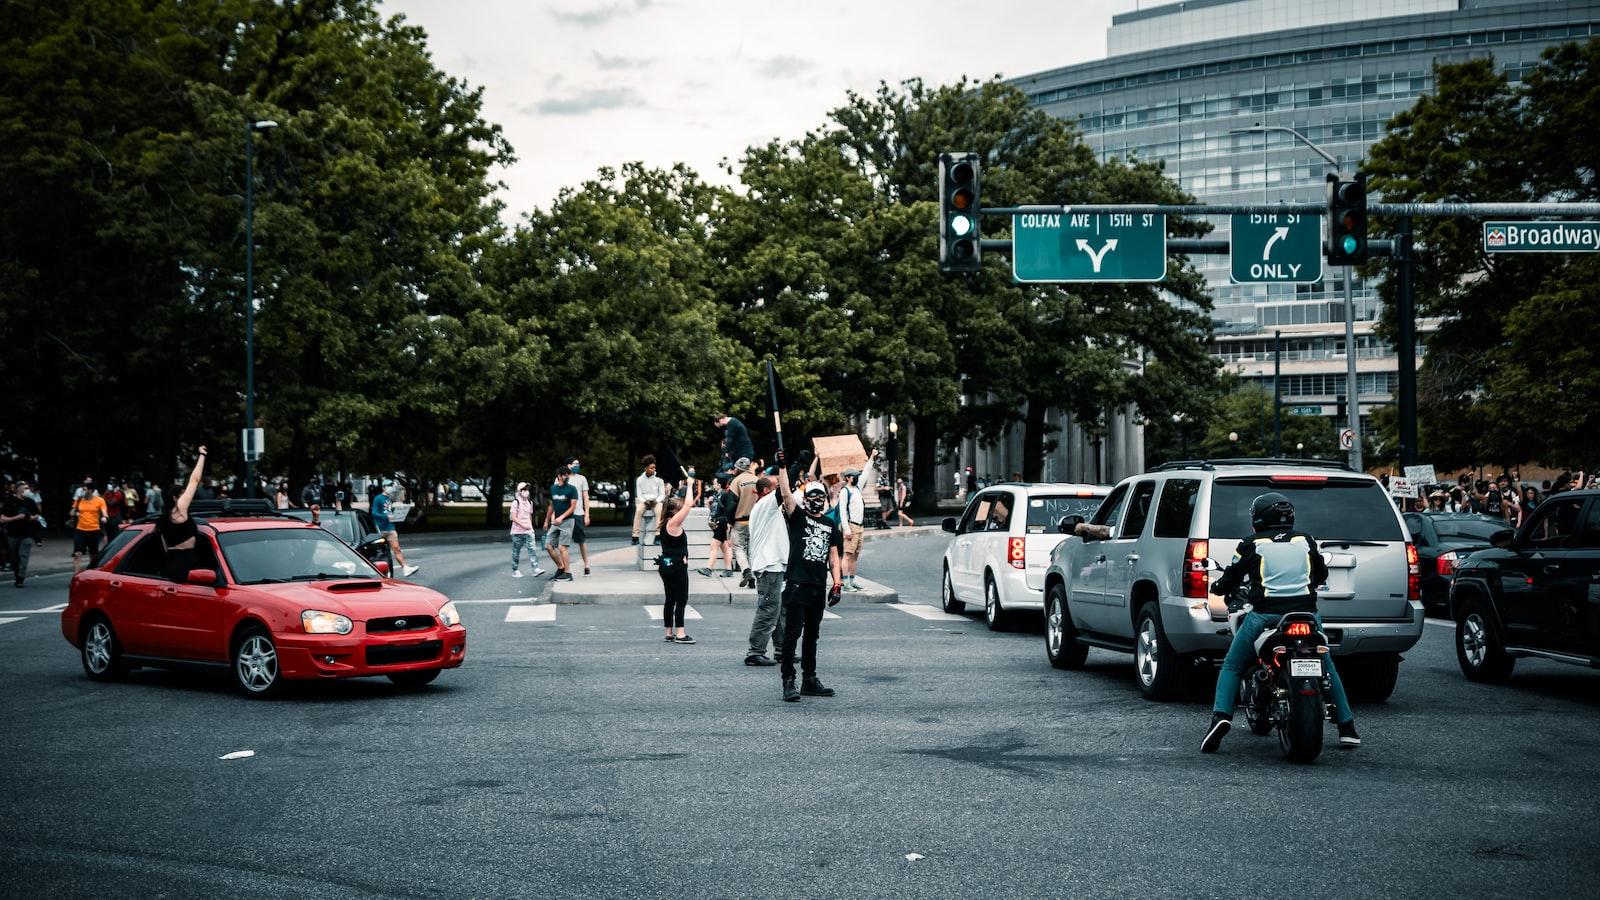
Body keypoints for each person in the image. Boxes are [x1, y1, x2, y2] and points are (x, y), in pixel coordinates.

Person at [1201, 491, 1359, 754]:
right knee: (1327, 666)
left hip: (1265, 615)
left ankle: (1221, 718)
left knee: (1232, 664)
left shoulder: (1250, 544)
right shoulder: (1306, 540)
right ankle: (1347, 727)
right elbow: (1320, 573)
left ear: (1258, 518)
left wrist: (1218, 587)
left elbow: (1231, 577)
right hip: (1307, 615)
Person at [772, 448, 844, 703]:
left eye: (819, 495)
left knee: (812, 635)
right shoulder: (797, 517)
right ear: (806, 498)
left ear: (825, 499)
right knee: (793, 634)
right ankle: (788, 680)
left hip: (817, 586)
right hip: (797, 584)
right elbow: (785, 493)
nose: (816, 498)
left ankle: (809, 679)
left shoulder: (829, 524)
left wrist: (837, 583)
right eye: (811, 495)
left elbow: (833, 557)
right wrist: (783, 468)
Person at [743, 475, 787, 666]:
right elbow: (785, 487)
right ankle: (755, 652)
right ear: (768, 491)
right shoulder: (766, 505)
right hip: (769, 567)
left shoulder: (769, 507)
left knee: (779, 610)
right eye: (776, 486)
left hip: (775, 566)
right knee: (769, 610)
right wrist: (789, 468)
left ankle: (782, 650)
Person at [657, 480, 701, 643]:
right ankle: (681, 634)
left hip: (665, 564)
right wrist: (689, 485)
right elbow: (689, 504)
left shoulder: (664, 523)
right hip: (676, 565)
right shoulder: (674, 523)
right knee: (681, 599)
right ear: (675, 512)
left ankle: (669, 632)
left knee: (670, 599)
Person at [157, 448, 209, 580]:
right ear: (175, 499)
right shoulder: (180, 508)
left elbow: (165, 547)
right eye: (182, 495)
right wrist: (202, 455)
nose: (186, 497)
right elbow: (194, 480)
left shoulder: (163, 519)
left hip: (170, 563)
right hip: (185, 563)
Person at [837, 451, 878, 592]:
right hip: (851, 526)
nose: (857, 478)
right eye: (854, 476)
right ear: (848, 478)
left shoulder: (857, 489)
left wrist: (872, 458)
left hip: (859, 527)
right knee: (847, 555)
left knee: (855, 555)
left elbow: (866, 472)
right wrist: (846, 529)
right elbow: (842, 511)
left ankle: (852, 581)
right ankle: (846, 583)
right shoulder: (845, 492)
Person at [370, 481, 419, 577]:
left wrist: (397, 514)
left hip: (390, 528)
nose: (391, 488)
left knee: (397, 549)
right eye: (389, 486)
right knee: (379, 553)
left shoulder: (389, 499)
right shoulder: (378, 498)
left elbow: (390, 509)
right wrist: (386, 517)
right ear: (383, 487)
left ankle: (405, 568)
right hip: (380, 529)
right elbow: (374, 513)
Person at [544, 466, 580, 581]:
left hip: (568, 520)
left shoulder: (572, 489)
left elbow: (573, 507)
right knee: (548, 545)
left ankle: (568, 573)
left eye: (568, 475)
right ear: (559, 476)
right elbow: (551, 505)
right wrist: (546, 520)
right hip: (556, 522)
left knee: (562, 547)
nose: (567, 477)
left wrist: (562, 517)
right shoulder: (553, 488)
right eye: (564, 475)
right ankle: (560, 567)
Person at [1, 482, 41, 587]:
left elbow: (37, 515)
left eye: (28, 487)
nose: (28, 490)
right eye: (25, 488)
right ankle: (16, 574)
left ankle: (20, 579)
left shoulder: (30, 502)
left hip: (27, 533)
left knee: (23, 556)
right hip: (13, 534)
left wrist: (32, 518)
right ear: (19, 489)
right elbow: (2, 519)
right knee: (14, 557)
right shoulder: (10, 501)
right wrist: (16, 517)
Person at [699, 472, 739, 577]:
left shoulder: (725, 494)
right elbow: (714, 510)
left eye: (715, 483)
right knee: (725, 546)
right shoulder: (718, 495)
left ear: (719, 484)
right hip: (720, 522)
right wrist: (709, 504)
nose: (714, 485)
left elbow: (730, 509)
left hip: (722, 523)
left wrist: (729, 522)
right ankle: (728, 570)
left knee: (714, 545)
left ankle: (709, 569)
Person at [729, 457, 760, 587]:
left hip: (741, 521)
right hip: (756, 521)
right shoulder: (758, 480)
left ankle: (746, 571)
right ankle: (753, 575)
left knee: (738, 547)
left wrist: (730, 521)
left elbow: (731, 504)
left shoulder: (736, 481)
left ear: (738, 468)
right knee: (752, 549)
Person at [562, 456, 593, 577]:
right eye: (575, 464)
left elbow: (586, 497)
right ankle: (565, 568)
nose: (577, 466)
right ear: (568, 465)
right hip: (564, 514)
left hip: (578, 513)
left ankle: (587, 565)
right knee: (563, 543)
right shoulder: (562, 477)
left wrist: (587, 514)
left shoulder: (582, 479)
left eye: (578, 464)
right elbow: (556, 497)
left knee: (581, 540)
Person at [509, 481, 546, 578]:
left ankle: (536, 568)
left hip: (528, 531)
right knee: (516, 551)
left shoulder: (530, 502)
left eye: (527, 489)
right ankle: (515, 570)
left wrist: (530, 527)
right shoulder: (515, 502)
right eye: (524, 490)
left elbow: (529, 516)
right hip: (517, 532)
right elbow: (513, 517)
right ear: (520, 491)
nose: (526, 491)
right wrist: (523, 525)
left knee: (532, 550)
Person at [70, 480, 108, 572]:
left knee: (93, 555)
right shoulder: (79, 500)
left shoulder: (99, 500)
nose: (81, 491)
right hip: (80, 530)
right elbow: (71, 512)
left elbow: (104, 512)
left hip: (94, 530)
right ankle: (76, 576)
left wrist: (104, 517)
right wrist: (75, 513)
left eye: (84, 489)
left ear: (90, 490)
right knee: (77, 553)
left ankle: (92, 574)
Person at [632, 455, 666, 545]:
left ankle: (658, 536)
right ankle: (635, 536)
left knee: (659, 511)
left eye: (654, 468)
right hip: (644, 501)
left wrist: (656, 501)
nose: (654, 469)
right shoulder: (639, 480)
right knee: (638, 510)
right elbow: (639, 494)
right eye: (651, 468)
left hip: (655, 501)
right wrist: (644, 501)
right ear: (646, 468)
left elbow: (662, 494)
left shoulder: (659, 480)